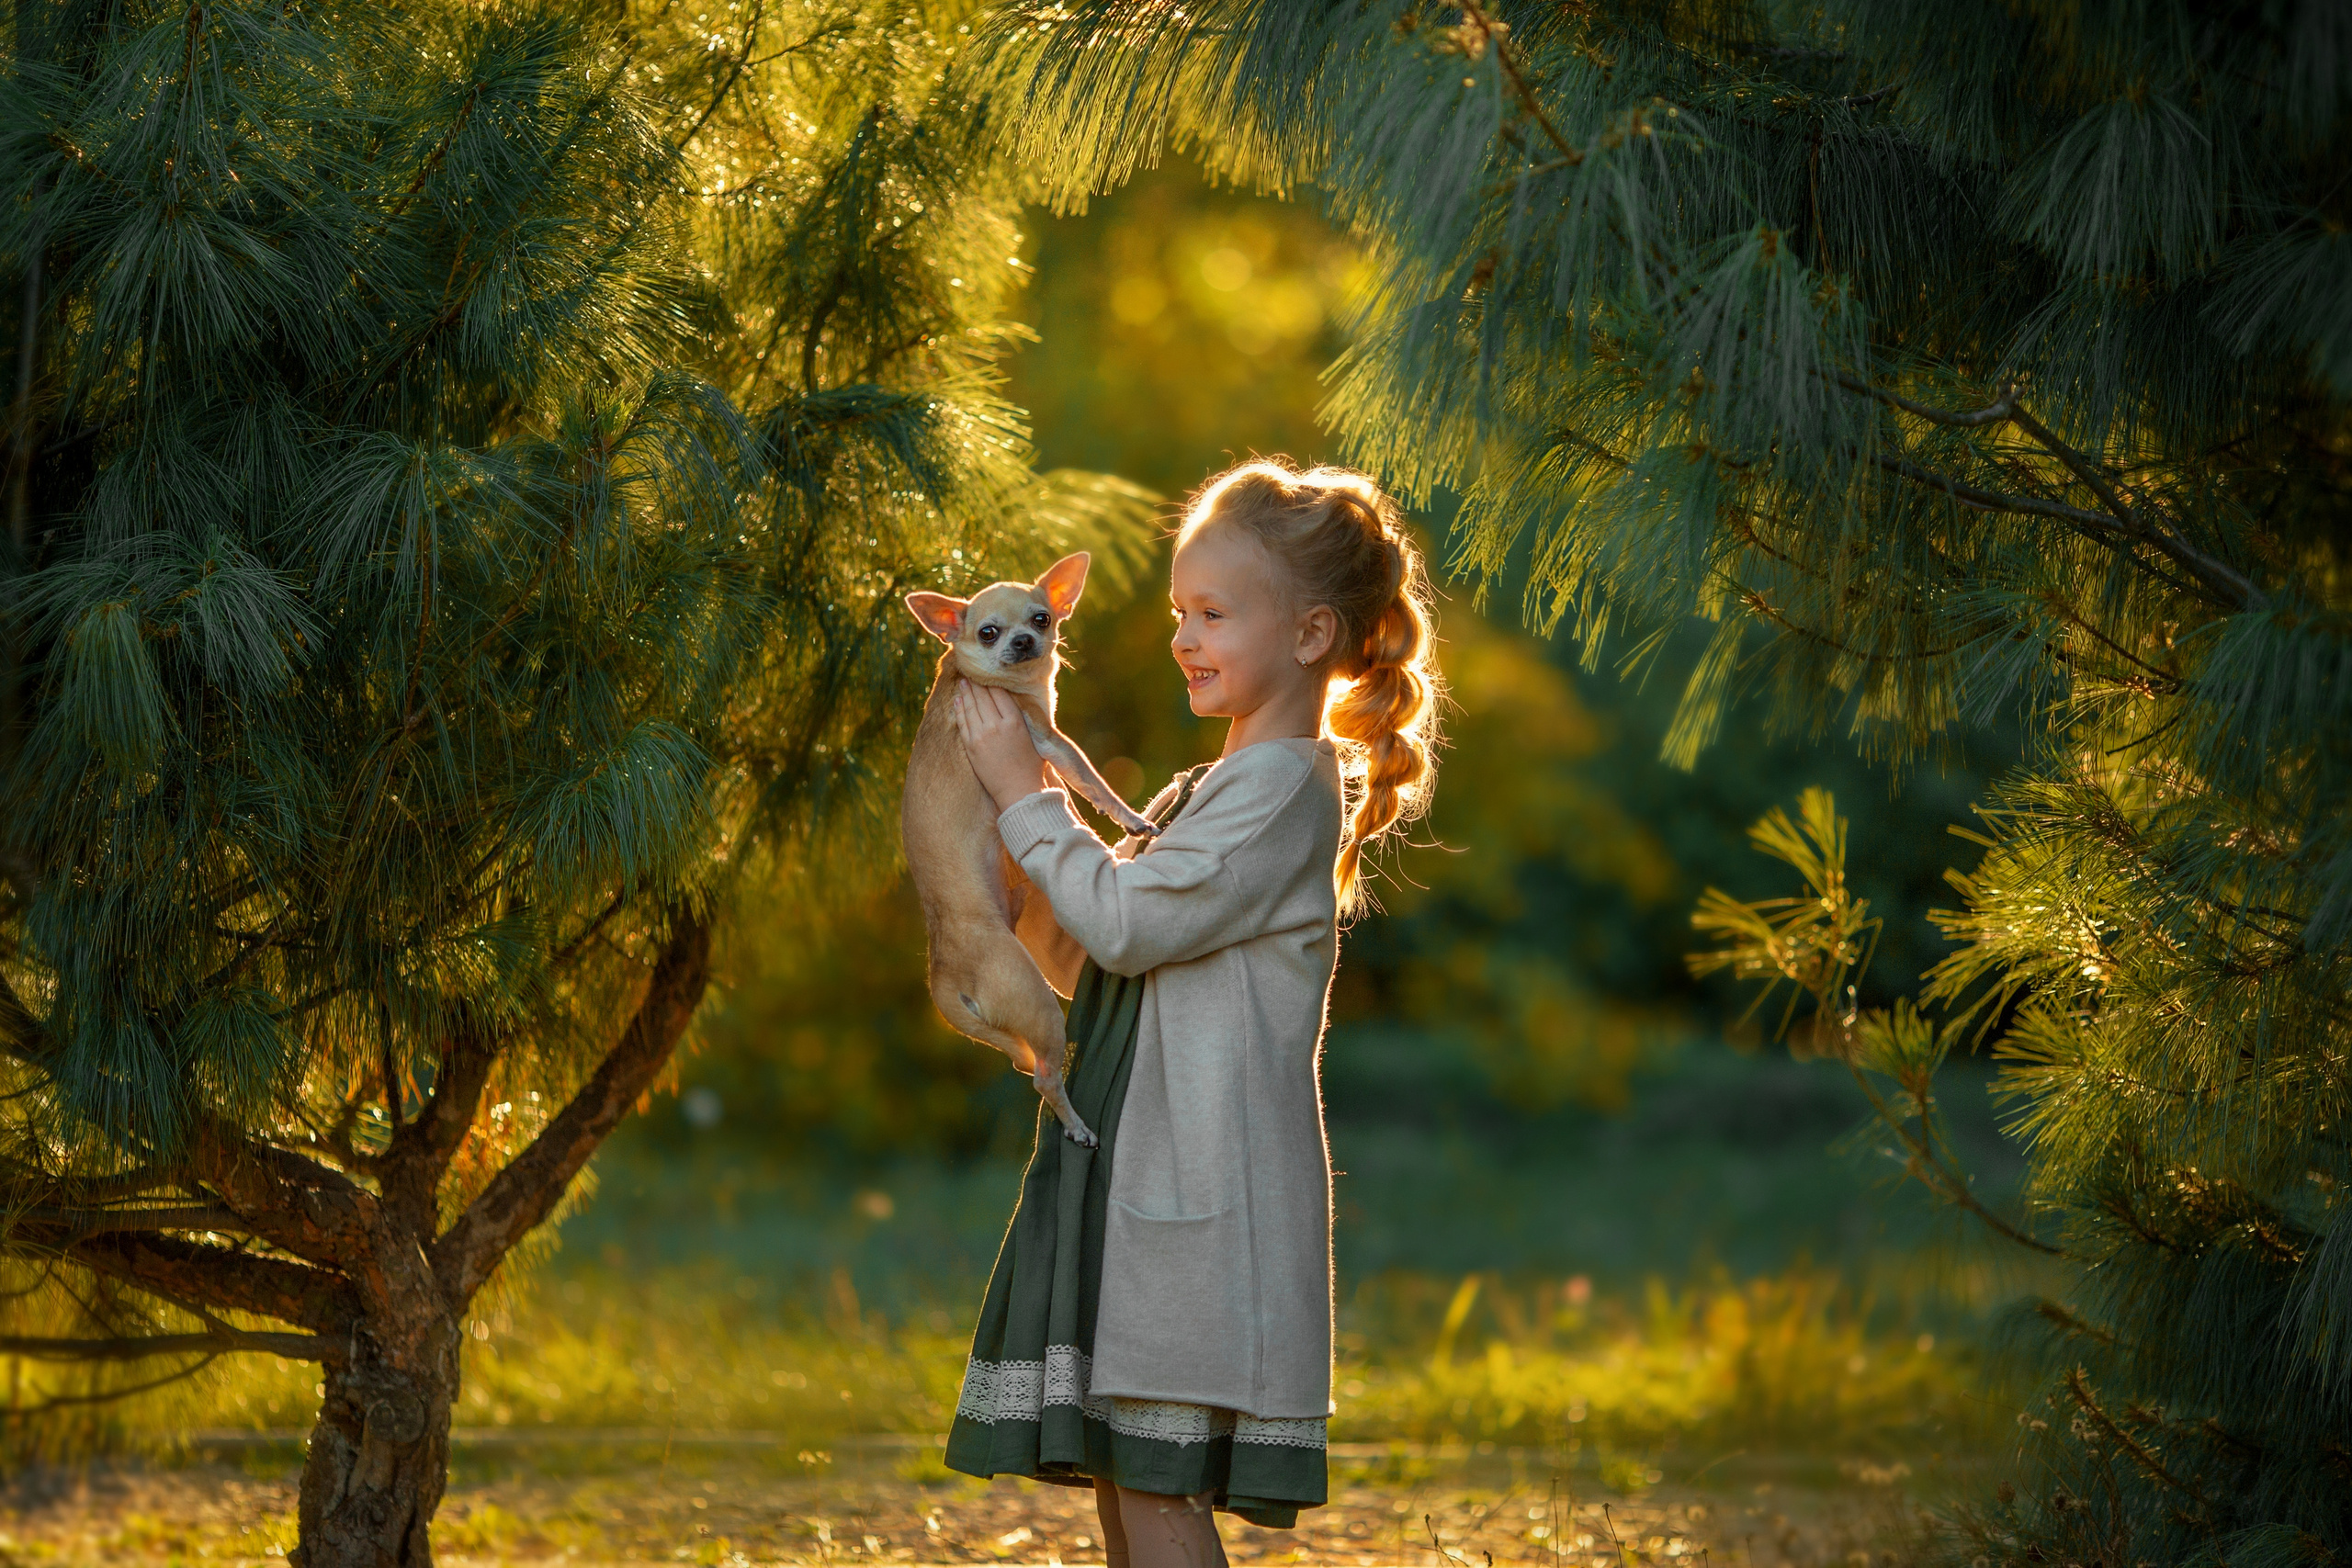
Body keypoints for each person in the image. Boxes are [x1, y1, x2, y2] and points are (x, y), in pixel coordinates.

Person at [940, 459, 1444, 1568]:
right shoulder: (1197, 792)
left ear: (1311, 634)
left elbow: (1123, 922)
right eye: (1180, 612)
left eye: (1213, 614)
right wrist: (987, 836)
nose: (1184, 637)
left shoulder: (1278, 794)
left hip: (1204, 1196)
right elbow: (1084, 951)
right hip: (1141, 1181)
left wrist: (1029, 796)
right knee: (1128, 1489)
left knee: (1161, 1495)